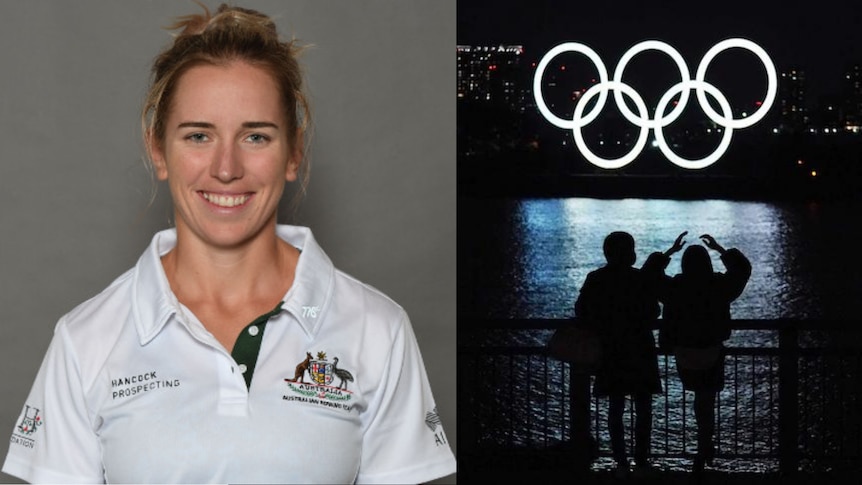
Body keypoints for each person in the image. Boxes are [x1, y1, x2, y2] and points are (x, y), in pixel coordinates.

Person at [2, 4, 456, 484]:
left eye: (255, 137)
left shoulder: (377, 330)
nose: (225, 168)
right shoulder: (85, 340)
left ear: (293, 153)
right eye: (198, 135)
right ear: (158, 150)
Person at [649, 232, 751, 473]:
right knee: (707, 398)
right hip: (712, 351)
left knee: (699, 398)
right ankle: (706, 443)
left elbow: (650, 276)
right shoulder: (718, 286)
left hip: (684, 352)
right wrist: (720, 249)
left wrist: (669, 253)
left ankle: (703, 445)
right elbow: (743, 269)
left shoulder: (675, 287)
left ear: (684, 264)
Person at [574, 231, 662, 476]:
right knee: (643, 408)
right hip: (640, 350)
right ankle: (642, 461)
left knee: (615, 407)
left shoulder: (596, 278)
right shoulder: (640, 279)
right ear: (631, 251)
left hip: (611, 350)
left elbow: (582, 310)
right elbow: (654, 311)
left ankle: (621, 462)